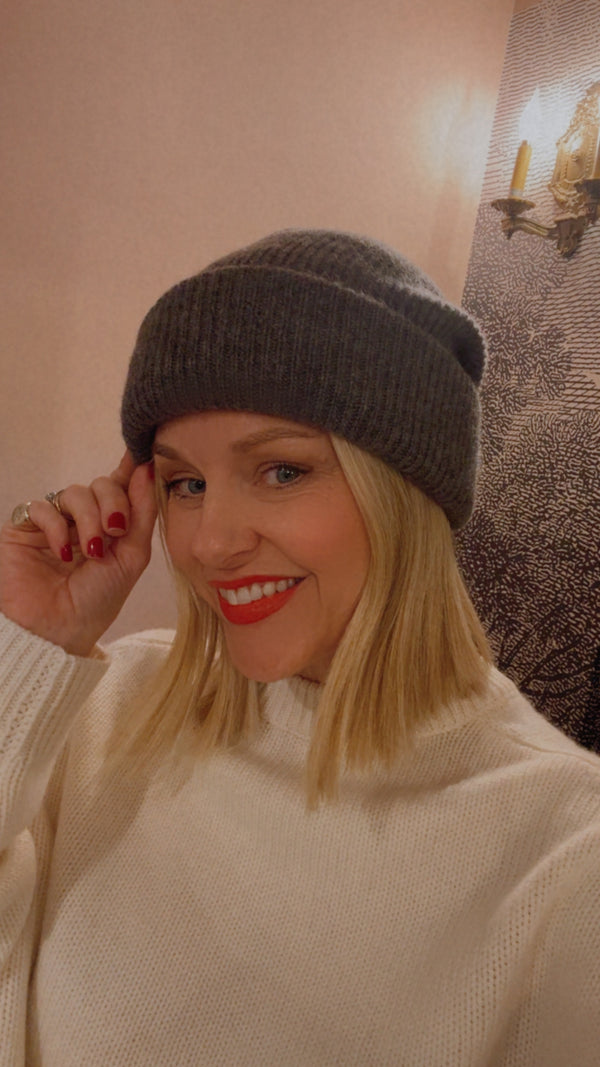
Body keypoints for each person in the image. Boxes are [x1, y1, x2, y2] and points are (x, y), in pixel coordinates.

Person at [1, 229, 599, 1067]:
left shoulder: (567, 849)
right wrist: (28, 646)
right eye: (185, 483)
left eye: (282, 471)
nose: (210, 543)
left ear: (407, 492)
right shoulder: (110, 703)